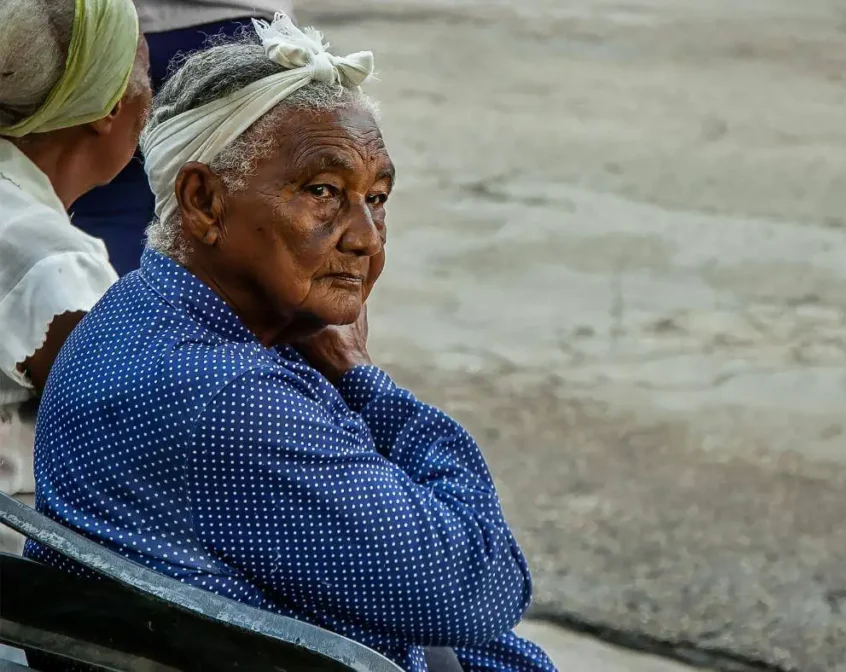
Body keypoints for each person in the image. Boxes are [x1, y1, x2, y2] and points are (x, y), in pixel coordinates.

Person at [26, 14, 556, 672]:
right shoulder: (232, 396)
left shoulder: (135, 309)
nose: (366, 237)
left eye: (378, 197)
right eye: (324, 192)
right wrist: (365, 377)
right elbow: (482, 586)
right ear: (204, 201)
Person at [0, 0, 152, 554]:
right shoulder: (55, 264)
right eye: (144, 76)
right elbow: (138, 442)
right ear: (108, 107)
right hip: (20, 595)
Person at [71, 0, 293, 276]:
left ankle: (103, 312)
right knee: (233, 223)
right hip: (236, 25)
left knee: (103, 215)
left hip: (106, 26)